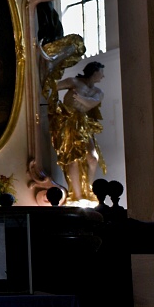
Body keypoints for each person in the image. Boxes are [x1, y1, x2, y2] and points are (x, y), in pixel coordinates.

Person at [50, 61, 107, 203]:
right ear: (94, 72)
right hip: (68, 122)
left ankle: (88, 189)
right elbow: (52, 87)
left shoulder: (98, 92)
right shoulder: (74, 82)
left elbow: (91, 103)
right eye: (101, 73)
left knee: (93, 158)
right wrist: (53, 106)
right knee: (72, 158)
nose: (103, 76)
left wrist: (78, 97)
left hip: (83, 123)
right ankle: (77, 195)